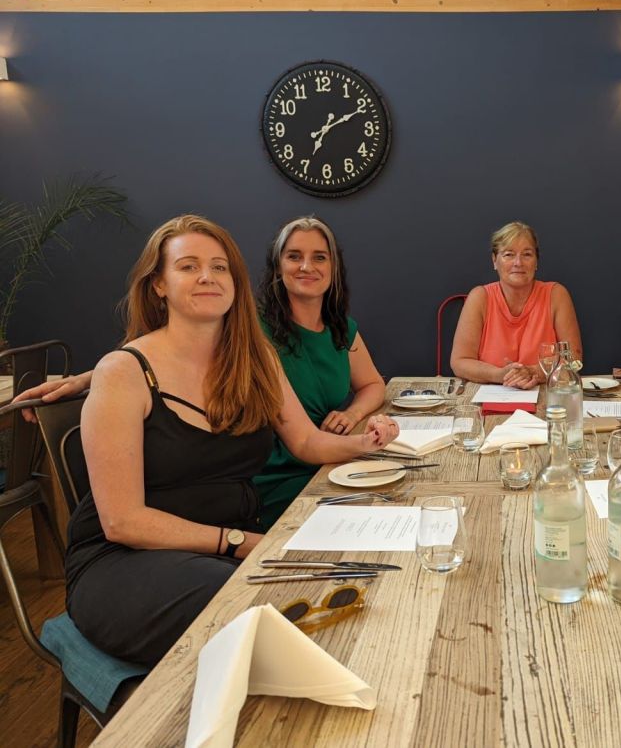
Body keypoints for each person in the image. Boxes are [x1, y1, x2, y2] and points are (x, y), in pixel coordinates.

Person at [62, 215, 399, 666]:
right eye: (188, 266)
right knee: (260, 617)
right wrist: (240, 542)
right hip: (126, 560)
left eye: (219, 267)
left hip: (225, 551)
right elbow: (123, 522)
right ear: (159, 284)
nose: (207, 276)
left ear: (236, 282)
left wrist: (366, 444)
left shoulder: (255, 358)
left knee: (355, 587)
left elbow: (305, 442)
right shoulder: (124, 371)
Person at [253, 217, 386, 527]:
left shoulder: (341, 328)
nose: (306, 266)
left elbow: (373, 384)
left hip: (332, 461)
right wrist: (365, 443)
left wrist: (352, 414)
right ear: (277, 267)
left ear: (333, 268)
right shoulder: (256, 331)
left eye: (319, 257)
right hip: (282, 478)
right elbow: (302, 443)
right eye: (294, 256)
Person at [450, 221, 582, 389]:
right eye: (509, 254)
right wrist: (499, 375)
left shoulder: (556, 295)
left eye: (527, 254)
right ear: (494, 260)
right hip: (491, 394)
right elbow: (459, 362)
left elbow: (574, 359)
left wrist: (533, 372)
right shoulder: (479, 297)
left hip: (548, 395)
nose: (518, 263)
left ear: (536, 261)